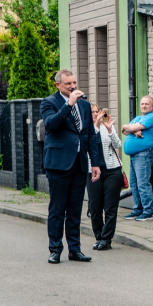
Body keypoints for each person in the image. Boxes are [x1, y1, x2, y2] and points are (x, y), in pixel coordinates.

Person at [41, 69, 105, 263]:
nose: (73, 86)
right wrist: (68, 104)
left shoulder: (85, 106)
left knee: (75, 209)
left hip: (79, 164)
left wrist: (95, 163)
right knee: (58, 209)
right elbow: (51, 125)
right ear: (58, 85)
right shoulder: (49, 103)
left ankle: (74, 249)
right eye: (68, 84)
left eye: (74, 83)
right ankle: (55, 249)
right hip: (58, 164)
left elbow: (90, 136)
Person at [87, 105, 124, 251]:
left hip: (112, 171)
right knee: (94, 207)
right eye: (92, 112)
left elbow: (118, 144)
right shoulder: (85, 128)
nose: (96, 114)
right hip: (93, 172)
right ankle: (99, 236)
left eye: (97, 111)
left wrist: (109, 130)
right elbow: (88, 143)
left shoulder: (106, 126)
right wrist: (96, 126)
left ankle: (106, 238)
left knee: (110, 207)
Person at [122, 95, 153, 221]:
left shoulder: (152, 118)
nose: (144, 106)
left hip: (143, 155)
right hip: (134, 156)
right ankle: (138, 209)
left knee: (143, 183)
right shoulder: (138, 118)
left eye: (147, 104)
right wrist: (134, 130)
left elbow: (129, 128)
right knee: (134, 184)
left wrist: (132, 128)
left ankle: (149, 211)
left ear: (152, 106)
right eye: (142, 104)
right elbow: (124, 129)